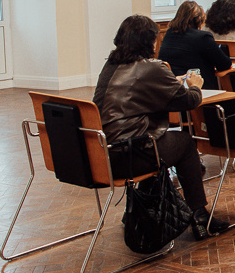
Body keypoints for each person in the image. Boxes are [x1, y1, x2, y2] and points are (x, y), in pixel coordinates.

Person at [93, 15, 227, 239]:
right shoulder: (151, 68)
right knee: (184, 142)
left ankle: (137, 212)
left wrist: (171, 81)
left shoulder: (110, 65)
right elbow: (189, 101)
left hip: (102, 155)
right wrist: (195, 86)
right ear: (149, 42)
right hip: (131, 155)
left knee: (158, 142)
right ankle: (199, 214)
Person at [157, 0, 232, 90]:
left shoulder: (169, 34)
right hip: (199, 87)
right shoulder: (203, 37)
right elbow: (224, 64)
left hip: (173, 87)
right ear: (199, 20)